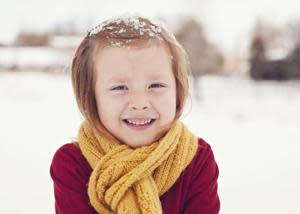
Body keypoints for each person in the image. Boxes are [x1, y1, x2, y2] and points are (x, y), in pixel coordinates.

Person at [50, 15, 220, 214]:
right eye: (119, 87)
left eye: (156, 85)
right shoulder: (73, 164)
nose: (140, 104)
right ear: (91, 97)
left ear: (178, 92)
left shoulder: (196, 159)